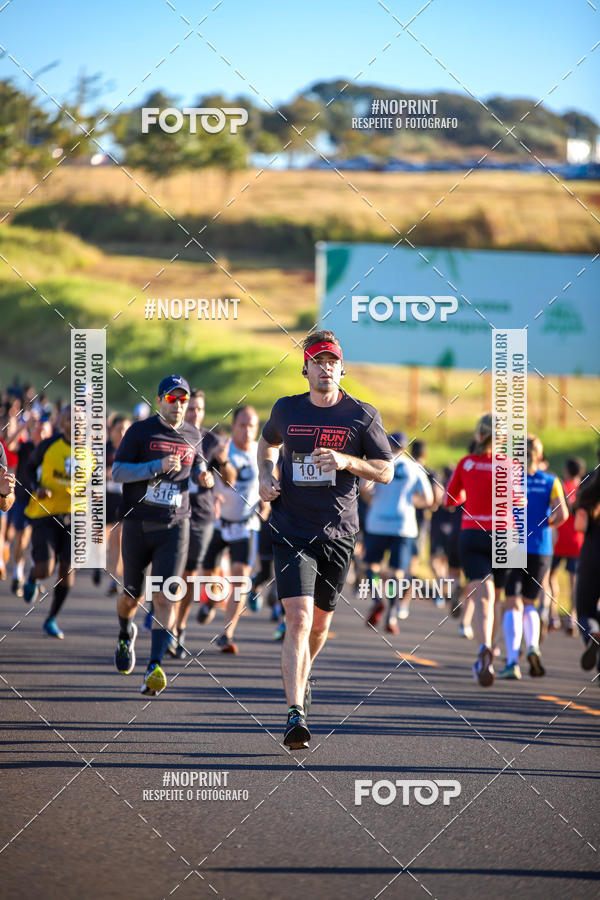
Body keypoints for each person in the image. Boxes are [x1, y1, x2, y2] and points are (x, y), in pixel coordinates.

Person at [258, 330, 393, 749]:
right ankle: (294, 713)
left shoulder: (362, 415)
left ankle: (305, 670)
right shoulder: (287, 409)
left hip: (337, 533)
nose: (325, 367)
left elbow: (385, 470)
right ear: (305, 368)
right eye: (317, 361)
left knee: (319, 625)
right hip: (290, 527)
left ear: (341, 366)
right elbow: (266, 444)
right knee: (297, 620)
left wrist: (347, 461)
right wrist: (266, 477)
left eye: (332, 360)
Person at [112, 375, 212, 695]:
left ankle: (154, 666)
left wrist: (203, 476)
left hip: (175, 525)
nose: (179, 405)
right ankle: (126, 632)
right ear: (159, 401)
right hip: (139, 523)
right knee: (132, 597)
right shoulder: (140, 431)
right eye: (173, 399)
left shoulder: (194, 434)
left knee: (166, 594)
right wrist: (155, 466)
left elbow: (195, 468)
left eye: (184, 400)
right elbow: (118, 472)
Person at [444, 414, 507, 687]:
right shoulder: (511, 466)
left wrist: (468, 495)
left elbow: (449, 501)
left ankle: (483, 648)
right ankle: (494, 647)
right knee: (501, 599)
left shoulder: (466, 463)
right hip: (505, 535)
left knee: (482, 597)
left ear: (478, 435)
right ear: (503, 438)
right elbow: (520, 503)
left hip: (472, 534)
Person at [167, 389, 231, 659]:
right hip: (171, 513)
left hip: (201, 516)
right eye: (190, 408)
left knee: (190, 577)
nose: (194, 413)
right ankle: (165, 625)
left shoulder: (212, 440)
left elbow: (229, 480)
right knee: (170, 572)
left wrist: (223, 459)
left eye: (199, 409)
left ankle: (178, 628)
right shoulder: (168, 435)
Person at [22, 406, 94, 637]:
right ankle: (33, 577)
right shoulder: (48, 446)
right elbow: (29, 470)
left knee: (67, 571)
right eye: (71, 420)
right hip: (46, 513)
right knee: (46, 569)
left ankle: (51, 618)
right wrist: (37, 488)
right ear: (62, 423)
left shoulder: (92, 454)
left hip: (75, 517)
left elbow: (94, 487)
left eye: (81, 420)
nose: (77, 424)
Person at [499, 437, 568, 679]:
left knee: (512, 602)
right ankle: (533, 647)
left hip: (512, 545)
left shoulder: (508, 477)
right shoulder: (551, 480)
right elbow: (563, 514)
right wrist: (545, 524)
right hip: (541, 547)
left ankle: (511, 661)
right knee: (530, 602)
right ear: (539, 456)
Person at [197, 405, 261, 654]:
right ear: (233, 426)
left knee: (240, 578)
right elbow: (218, 479)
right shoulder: (221, 450)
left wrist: (266, 502)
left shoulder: (262, 451)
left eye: (252, 426)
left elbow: (272, 477)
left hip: (246, 525)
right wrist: (211, 495)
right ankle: (212, 602)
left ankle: (227, 632)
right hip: (218, 522)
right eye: (242, 425)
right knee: (209, 575)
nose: (247, 431)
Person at [362, 431, 434, 633]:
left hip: (377, 523)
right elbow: (428, 499)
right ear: (404, 448)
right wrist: (411, 502)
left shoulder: (377, 464)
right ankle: (392, 615)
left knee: (372, 566)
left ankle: (377, 598)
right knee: (398, 574)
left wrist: (375, 501)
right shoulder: (414, 467)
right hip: (404, 525)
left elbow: (364, 490)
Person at [6, 416, 53, 596]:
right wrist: (24, 425)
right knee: (21, 536)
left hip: (44, 502)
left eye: (43, 430)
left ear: (49, 434)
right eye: (36, 429)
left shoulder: (51, 449)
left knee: (39, 541)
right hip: (23, 498)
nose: (39, 433)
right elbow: (8, 446)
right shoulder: (26, 447)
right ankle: (18, 575)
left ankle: (34, 575)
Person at [548, 457, 585, 634]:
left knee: (551, 577)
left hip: (559, 540)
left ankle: (552, 614)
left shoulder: (560, 486)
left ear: (567, 470)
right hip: (577, 542)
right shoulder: (584, 489)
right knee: (574, 582)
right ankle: (572, 617)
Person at [574, 470, 600, 677]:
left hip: (592, 555)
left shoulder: (589, 491)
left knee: (584, 609)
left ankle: (592, 633)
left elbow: (579, 526)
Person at [104, 415, 132, 596]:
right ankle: (107, 569)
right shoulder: (104, 449)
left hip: (124, 498)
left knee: (118, 536)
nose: (122, 433)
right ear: (111, 431)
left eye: (125, 429)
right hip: (104, 497)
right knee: (103, 538)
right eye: (118, 429)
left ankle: (114, 579)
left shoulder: (132, 450)